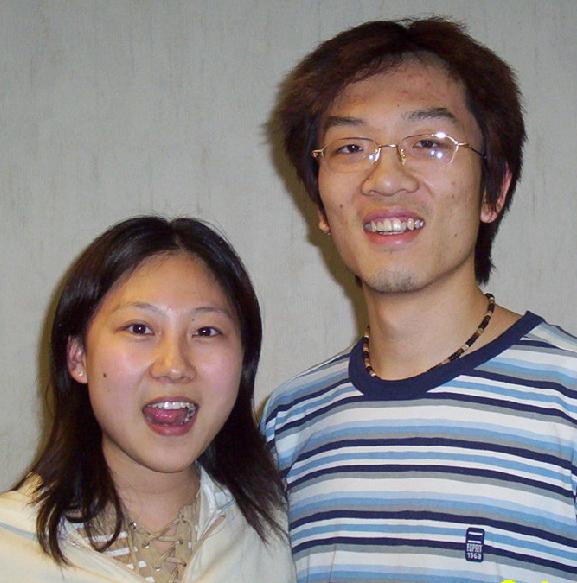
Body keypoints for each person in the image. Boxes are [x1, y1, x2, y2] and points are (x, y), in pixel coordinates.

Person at [261, 18, 577, 583]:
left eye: (429, 143)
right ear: (320, 205)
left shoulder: (567, 399)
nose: (385, 179)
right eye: (351, 147)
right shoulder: (289, 422)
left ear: (494, 190)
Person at [0, 216, 296, 582]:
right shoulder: (10, 548)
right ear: (78, 357)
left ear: (243, 359)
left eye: (206, 331)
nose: (174, 366)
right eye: (139, 328)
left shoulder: (284, 537)